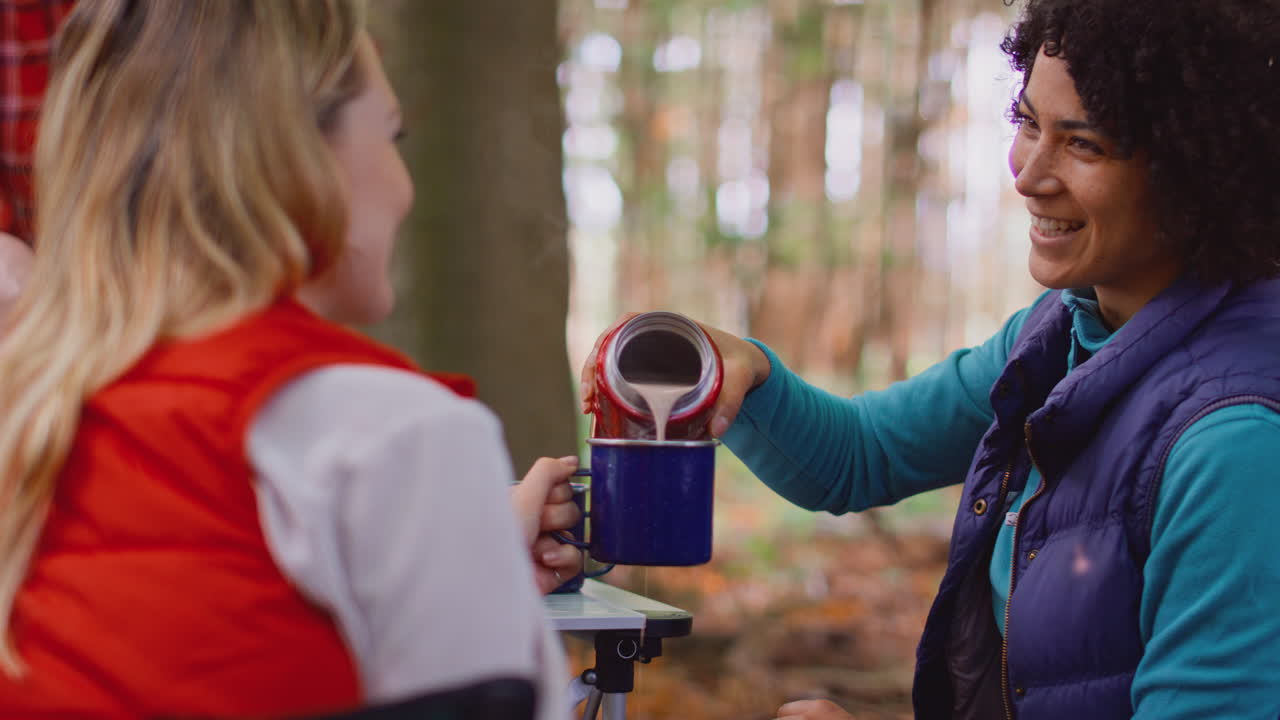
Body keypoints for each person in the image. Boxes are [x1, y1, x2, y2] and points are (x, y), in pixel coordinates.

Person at [582, 0, 1280, 718]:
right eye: (1030, 122)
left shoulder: (1236, 445)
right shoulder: (1060, 334)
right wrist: (750, 376)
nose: (1028, 174)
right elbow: (863, 455)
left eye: (1085, 144)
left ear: (1202, 165)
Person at [0, 1, 579, 718]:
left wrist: (467, 552)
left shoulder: (30, 407)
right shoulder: (400, 434)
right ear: (301, 157)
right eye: (392, 134)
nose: (405, 186)